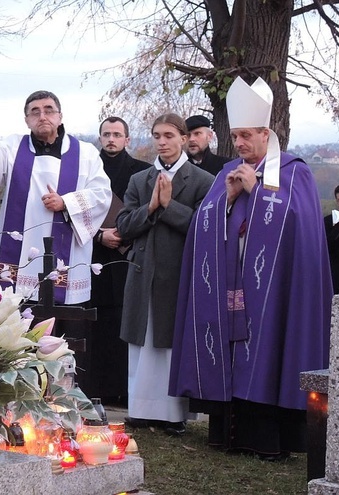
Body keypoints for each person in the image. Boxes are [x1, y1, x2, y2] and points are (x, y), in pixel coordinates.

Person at [169, 77, 331, 459]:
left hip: (274, 292)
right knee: (230, 353)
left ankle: (272, 442)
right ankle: (230, 435)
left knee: (268, 350)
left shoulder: (294, 172)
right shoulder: (229, 171)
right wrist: (225, 199)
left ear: (265, 133)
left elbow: (300, 228)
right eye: (234, 136)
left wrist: (257, 191)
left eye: (245, 136)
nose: (239, 144)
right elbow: (202, 224)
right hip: (229, 287)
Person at [0, 90, 112, 305]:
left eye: (49, 110)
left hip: (67, 254)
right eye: (35, 112)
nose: (42, 116)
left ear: (60, 116)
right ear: (27, 120)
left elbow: (102, 194)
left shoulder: (85, 153)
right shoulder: (13, 148)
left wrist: (66, 202)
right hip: (17, 259)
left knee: (62, 327)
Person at [118, 113, 214, 434]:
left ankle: (173, 415)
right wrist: (149, 208)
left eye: (169, 135)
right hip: (142, 272)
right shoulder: (139, 180)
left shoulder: (202, 180)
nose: (162, 142)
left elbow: (203, 227)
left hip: (178, 275)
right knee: (141, 344)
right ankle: (141, 409)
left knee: (169, 345)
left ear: (184, 138)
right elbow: (123, 225)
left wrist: (168, 206)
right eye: (157, 136)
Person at [88, 116, 149, 402]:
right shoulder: (84, 171)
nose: (111, 139)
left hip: (129, 258)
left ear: (127, 139)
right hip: (91, 258)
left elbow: (150, 213)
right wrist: (99, 235)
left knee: (123, 326)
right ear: (100, 138)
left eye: (117, 134)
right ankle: (94, 391)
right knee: (94, 326)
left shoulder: (143, 172)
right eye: (106, 134)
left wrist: (126, 233)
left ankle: (124, 394)